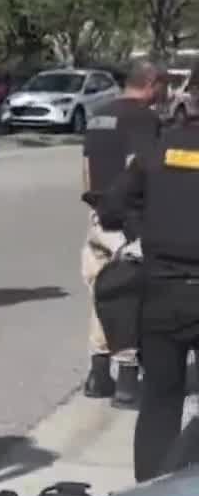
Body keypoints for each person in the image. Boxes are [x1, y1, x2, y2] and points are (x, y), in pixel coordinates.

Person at [99, 104, 199, 482]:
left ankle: (149, 495)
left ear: (188, 104)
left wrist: (142, 227)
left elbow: (111, 208)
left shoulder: (156, 151)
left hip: (161, 293)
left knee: (160, 401)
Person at [79, 60, 165, 406]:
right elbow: (143, 167)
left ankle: (98, 375)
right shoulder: (145, 119)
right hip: (128, 222)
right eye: (161, 86)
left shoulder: (99, 114)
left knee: (102, 296)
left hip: (98, 216)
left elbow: (86, 168)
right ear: (151, 83)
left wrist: (96, 206)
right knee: (130, 300)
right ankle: (127, 380)